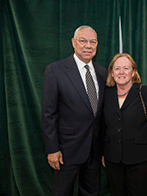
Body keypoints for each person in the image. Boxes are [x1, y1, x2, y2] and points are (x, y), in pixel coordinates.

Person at [41, 25, 107, 196]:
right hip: (66, 151)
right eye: (83, 41)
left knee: (91, 192)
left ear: (97, 44)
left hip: (94, 151)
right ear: (73, 42)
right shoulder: (55, 71)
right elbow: (49, 114)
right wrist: (52, 149)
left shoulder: (102, 72)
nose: (88, 46)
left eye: (93, 42)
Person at [101, 53, 147, 196]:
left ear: (133, 72)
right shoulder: (105, 94)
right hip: (112, 158)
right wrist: (102, 153)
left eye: (126, 68)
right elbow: (102, 126)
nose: (121, 72)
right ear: (111, 73)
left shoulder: (146, 92)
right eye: (117, 68)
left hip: (140, 159)